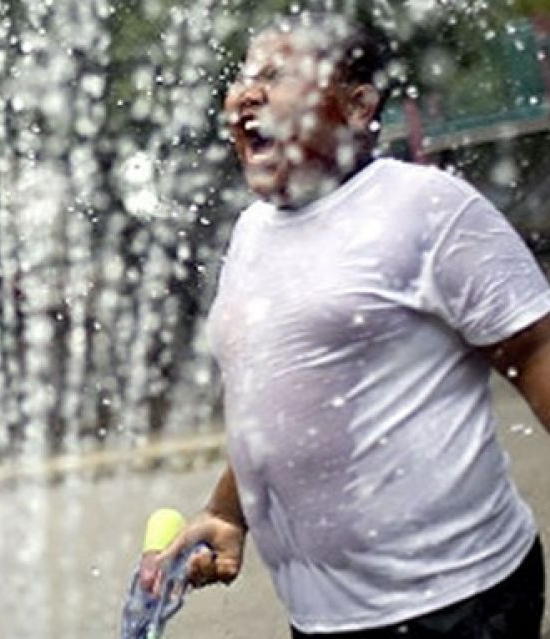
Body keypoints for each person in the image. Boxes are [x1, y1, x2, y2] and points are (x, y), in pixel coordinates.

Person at [141, 12, 550, 638]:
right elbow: (280, 403)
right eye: (245, 77)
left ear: (357, 105)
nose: (248, 93)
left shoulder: (425, 208)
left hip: (456, 600)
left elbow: (539, 351)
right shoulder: (252, 231)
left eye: (277, 76)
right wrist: (228, 514)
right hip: (325, 619)